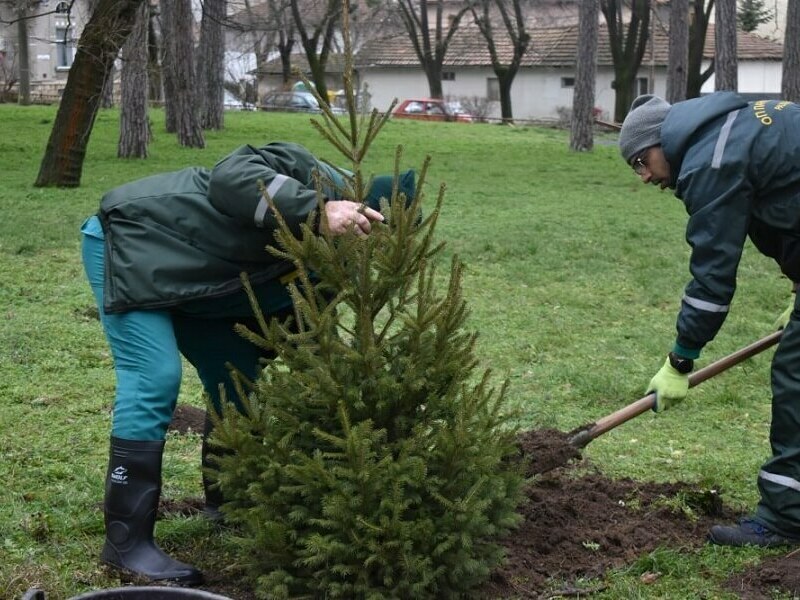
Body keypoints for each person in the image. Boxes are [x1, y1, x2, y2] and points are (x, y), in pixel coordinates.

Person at [80, 141, 416, 584]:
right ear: (360, 209)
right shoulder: (310, 176)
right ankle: (126, 543)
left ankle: (228, 502)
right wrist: (316, 211)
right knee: (154, 378)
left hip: (202, 282)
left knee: (237, 377)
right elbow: (230, 175)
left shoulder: (338, 264)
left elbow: (309, 334)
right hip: (135, 241)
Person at [618, 91, 800, 548]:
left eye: (641, 161)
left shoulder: (711, 161)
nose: (644, 177)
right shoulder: (733, 128)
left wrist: (680, 360)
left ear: (661, 141)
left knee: (796, 376)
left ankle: (784, 518)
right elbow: (785, 209)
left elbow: (713, 276)